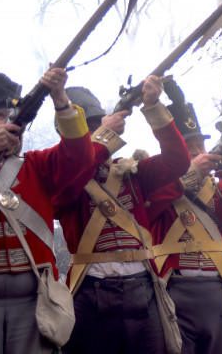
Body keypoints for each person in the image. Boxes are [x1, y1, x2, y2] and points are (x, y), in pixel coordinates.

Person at [0, 69, 94, 353]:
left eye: (12, 115)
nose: (10, 121)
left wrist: (60, 99)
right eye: (1, 115)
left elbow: (80, 155)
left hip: (35, 303)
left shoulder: (36, 165)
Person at [51, 78, 191, 353]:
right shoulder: (62, 177)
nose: (95, 133)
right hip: (90, 291)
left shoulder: (132, 172)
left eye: (96, 127)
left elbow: (178, 161)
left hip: (143, 286)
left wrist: (153, 107)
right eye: (86, 130)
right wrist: (102, 138)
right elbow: (63, 190)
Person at [148, 78, 222, 354]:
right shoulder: (154, 182)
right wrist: (188, 175)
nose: (196, 151)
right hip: (171, 287)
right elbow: (147, 210)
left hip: (218, 289)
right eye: (186, 146)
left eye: (199, 145)